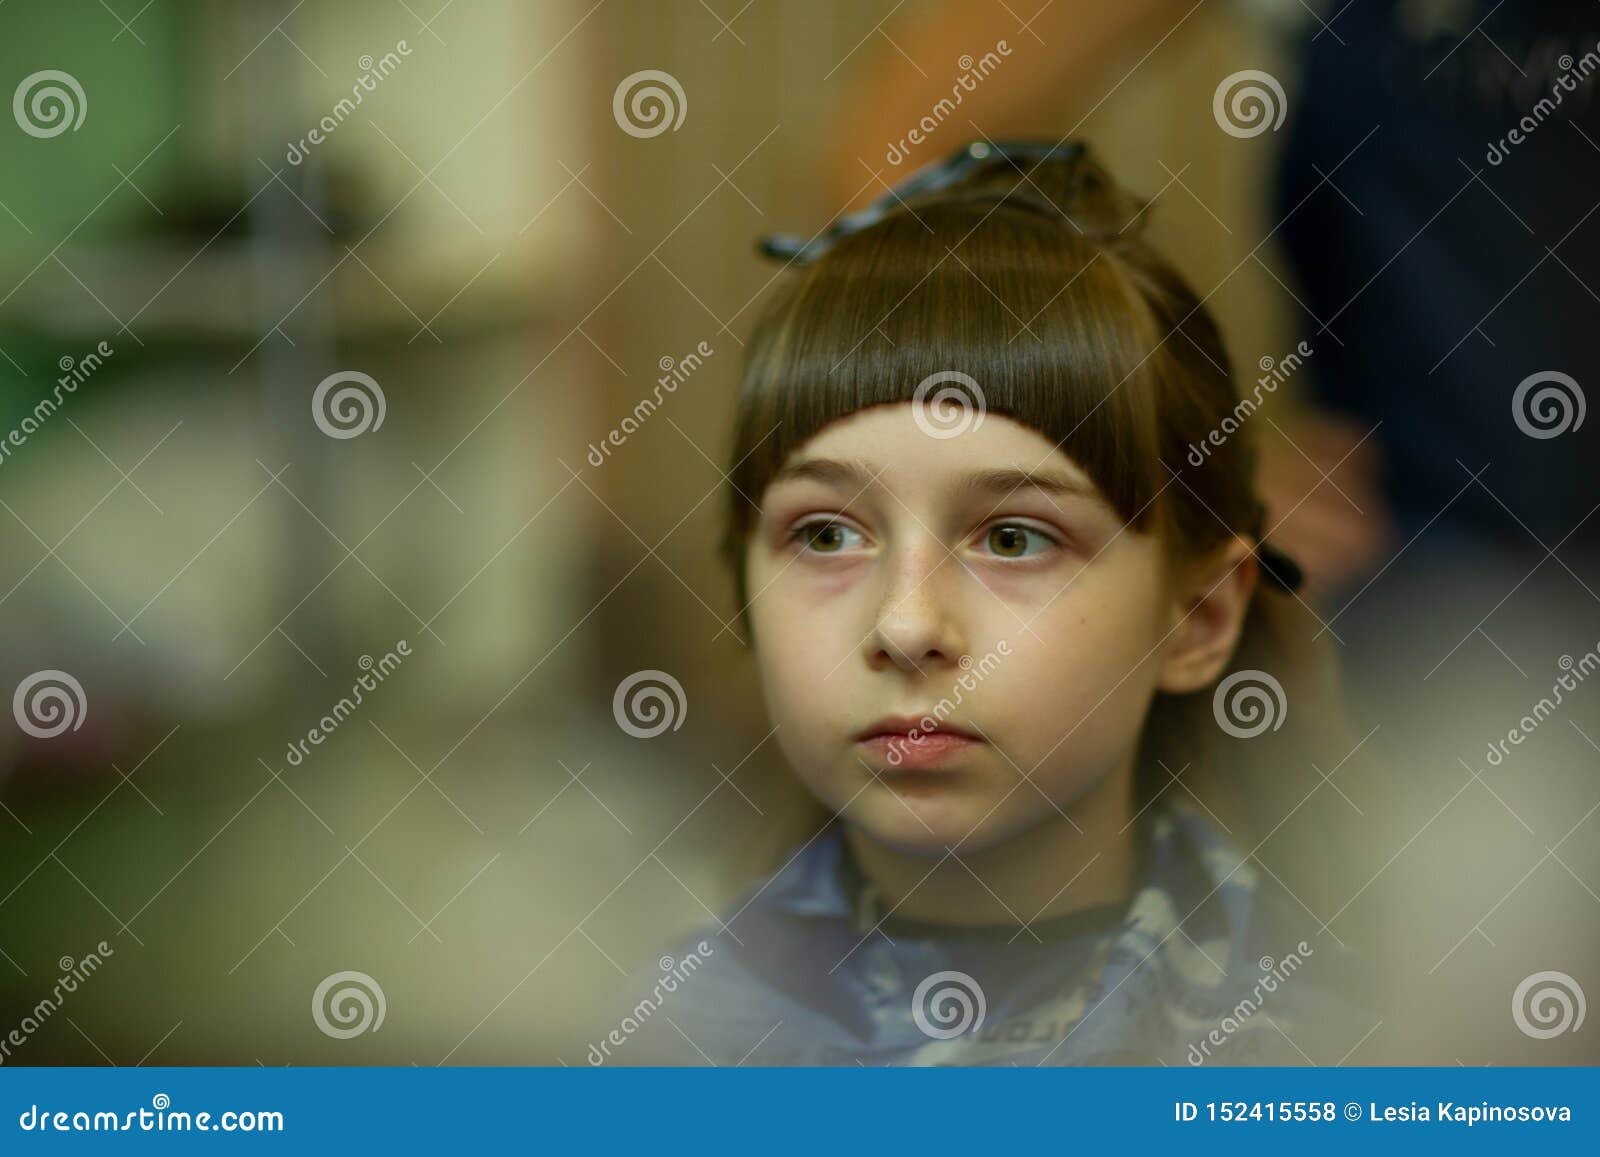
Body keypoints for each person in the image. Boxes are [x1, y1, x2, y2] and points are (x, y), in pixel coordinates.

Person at [591, 142, 1375, 1066]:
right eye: (828, 535)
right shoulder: (645, 1057)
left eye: (1012, 538)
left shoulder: (1355, 1059)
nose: (906, 626)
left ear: (1198, 616)